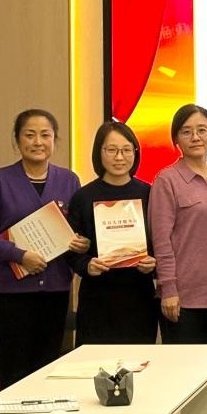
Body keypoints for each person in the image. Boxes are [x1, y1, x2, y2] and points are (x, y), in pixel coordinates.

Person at [0, 109, 89, 387]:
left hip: (55, 291)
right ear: (17, 140)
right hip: (12, 294)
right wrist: (20, 255)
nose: (38, 142)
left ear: (54, 140)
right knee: (15, 372)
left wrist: (81, 243)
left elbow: (77, 229)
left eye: (45, 135)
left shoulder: (69, 180)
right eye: (29, 135)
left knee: (48, 372)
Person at [67, 121, 158, 345]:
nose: (119, 157)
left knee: (140, 361)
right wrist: (86, 265)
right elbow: (71, 250)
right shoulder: (83, 197)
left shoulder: (150, 194)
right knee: (95, 362)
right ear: (99, 152)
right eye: (111, 150)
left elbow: (162, 241)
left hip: (139, 296)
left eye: (126, 150)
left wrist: (153, 263)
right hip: (97, 298)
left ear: (135, 153)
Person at [150, 104, 207, 344]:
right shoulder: (166, 180)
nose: (195, 137)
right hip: (183, 299)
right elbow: (161, 241)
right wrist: (168, 289)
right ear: (176, 138)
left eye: (202, 130)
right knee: (186, 364)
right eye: (186, 132)